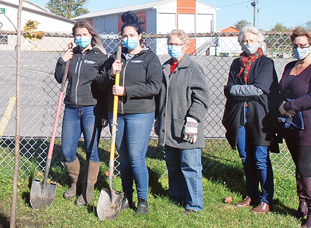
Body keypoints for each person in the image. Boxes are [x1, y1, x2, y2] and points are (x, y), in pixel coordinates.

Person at [96, 11, 162, 215]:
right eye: (124, 37)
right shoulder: (115, 58)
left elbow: (154, 87)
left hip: (140, 113)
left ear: (140, 36)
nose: (127, 40)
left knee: (136, 157)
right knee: (123, 157)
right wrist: (110, 73)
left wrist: (127, 91)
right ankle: (126, 195)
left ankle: (143, 199)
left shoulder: (150, 59)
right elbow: (100, 84)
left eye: (132, 36)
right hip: (118, 113)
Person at [222, 26, 279, 214]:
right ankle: (252, 194)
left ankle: (266, 198)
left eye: (251, 41)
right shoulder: (237, 64)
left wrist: (235, 91)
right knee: (246, 157)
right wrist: (236, 90)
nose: (247, 44)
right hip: (240, 115)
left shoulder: (266, 64)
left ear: (259, 41)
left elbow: (258, 89)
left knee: (260, 158)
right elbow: (229, 88)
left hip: (260, 117)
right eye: (244, 41)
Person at [278, 27, 311, 228]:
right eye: (296, 46)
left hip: (308, 123)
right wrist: (280, 107)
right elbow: (281, 89)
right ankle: (303, 204)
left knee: (304, 165)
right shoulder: (290, 66)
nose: (299, 49)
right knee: (297, 165)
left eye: (304, 46)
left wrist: (289, 106)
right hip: (289, 123)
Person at [54, 20, 109, 206]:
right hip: (71, 108)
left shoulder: (100, 57)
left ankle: (88, 189)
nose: (81, 38)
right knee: (68, 150)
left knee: (91, 150)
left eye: (84, 35)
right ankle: (75, 182)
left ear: (91, 36)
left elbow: (104, 87)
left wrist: (104, 113)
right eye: (78, 35)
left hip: (91, 109)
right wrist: (62, 60)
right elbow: (60, 77)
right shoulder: (72, 55)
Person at [156, 30, 210, 214]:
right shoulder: (165, 67)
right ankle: (177, 196)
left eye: (177, 44)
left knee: (190, 166)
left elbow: (202, 97)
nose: (173, 47)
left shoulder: (193, 68)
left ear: (185, 46)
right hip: (169, 126)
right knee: (173, 165)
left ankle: (194, 204)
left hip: (187, 127)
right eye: (170, 44)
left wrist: (194, 119)